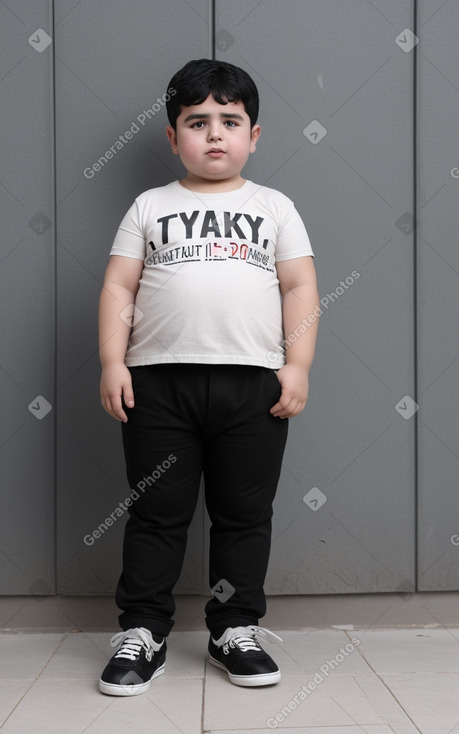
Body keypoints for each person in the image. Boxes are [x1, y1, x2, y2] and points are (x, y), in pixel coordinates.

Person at [98, 58, 319, 696]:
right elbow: (120, 282)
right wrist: (113, 361)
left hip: (253, 387)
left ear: (255, 135)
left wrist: (297, 365)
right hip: (158, 385)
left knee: (243, 512)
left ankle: (234, 627)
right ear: (174, 138)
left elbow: (300, 284)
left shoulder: (273, 207)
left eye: (231, 121)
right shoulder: (150, 205)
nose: (214, 134)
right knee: (156, 512)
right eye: (198, 122)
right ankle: (143, 630)